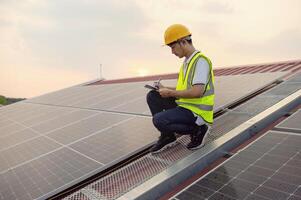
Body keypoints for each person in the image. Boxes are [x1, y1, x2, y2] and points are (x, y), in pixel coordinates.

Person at [147, 24, 215, 153]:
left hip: (198, 113)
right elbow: (183, 89)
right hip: (185, 107)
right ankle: (168, 136)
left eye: (173, 47)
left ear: (183, 42)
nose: (172, 51)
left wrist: (170, 93)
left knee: (159, 120)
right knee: (153, 95)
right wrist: (164, 88)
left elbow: (197, 92)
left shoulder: (200, 61)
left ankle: (199, 129)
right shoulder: (187, 62)